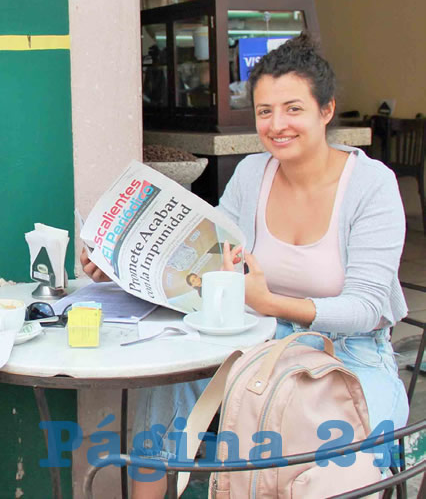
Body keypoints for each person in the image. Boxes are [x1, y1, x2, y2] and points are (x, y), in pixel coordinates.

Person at [82, 34, 409, 497]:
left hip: (351, 357)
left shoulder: (371, 185)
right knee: (169, 388)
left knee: (325, 462)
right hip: (258, 344)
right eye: (264, 111)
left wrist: (269, 302)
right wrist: (120, 265)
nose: (277, 125)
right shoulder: (253, 173)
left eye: (293, 108)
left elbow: (368, 308)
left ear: (326, 110)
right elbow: (210, 266)